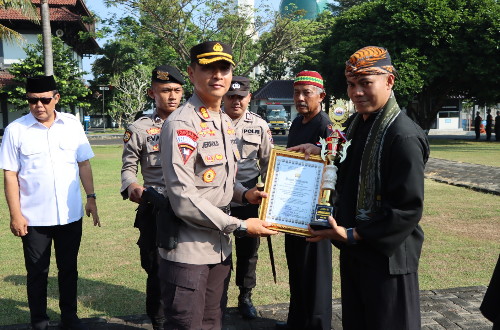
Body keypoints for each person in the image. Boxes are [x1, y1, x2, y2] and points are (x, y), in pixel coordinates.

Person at [292, 46, 430, 330]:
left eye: (366, 83)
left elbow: (407, 209)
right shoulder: (358, 123)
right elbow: (342, 158)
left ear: (389, 81)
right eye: (352, 84)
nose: (356, 92)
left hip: (387, 259)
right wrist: (319, 151)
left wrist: (352, 233)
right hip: (355, 252)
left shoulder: (401, 135)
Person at [158, 41, 277, 329]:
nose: (218, 75)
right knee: (189, 325)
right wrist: (243, 225)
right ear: (191, 72)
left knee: (213, 323)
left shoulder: (222, 120)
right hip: (189, 250)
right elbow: (184, 197)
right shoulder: (182, 123)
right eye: (208, 68)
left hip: (219, 249)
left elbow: (217, 180)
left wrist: (244, 193)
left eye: (223, 68)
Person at [0, 75, 100, 330]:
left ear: (56, 98)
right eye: (33, 100)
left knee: (69, 269)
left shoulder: (72, 124)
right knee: (36, 273)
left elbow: (84, 163)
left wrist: (91, 197)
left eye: (45, 100)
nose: (39, 106)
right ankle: (39, 320)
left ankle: (69, 316)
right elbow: (10, 174)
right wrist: (16, 215)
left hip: (70, 215)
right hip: (34, 218)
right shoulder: (16, 130)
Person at [120, 65, 185, 329]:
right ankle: (158, 321)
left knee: (188, 266)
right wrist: (132, 186)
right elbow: (128, 166)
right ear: (151, 93)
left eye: (177, 90)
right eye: (165, 90)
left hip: (190, 206)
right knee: (156, 268)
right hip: (156, 207)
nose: (172, 96)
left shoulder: (196, 123)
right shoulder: (139, 128)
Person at [277, 71, 333, 330]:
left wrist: (321, 151)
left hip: (315, 210)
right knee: (297, 269)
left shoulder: (326, 125)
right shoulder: (298, 123)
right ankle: (297, 323)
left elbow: (337, 161)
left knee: (315, 274)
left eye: (306, 93)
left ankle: (317, 325)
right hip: (293, 208)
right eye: (296, 92)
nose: (300, 98)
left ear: (321, 96)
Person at [222, 76, 273, 319]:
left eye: (240, 97)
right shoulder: (210, 122)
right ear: (223, 97)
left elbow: (268, 164)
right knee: (217, 249)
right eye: (231, 96)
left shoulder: (260, 126)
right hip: (217, 195)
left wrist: (270, 195)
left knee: (248, 249)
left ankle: (245, 295)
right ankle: (218, 296)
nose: (235, 101)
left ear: (249, 98)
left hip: (250, 195)